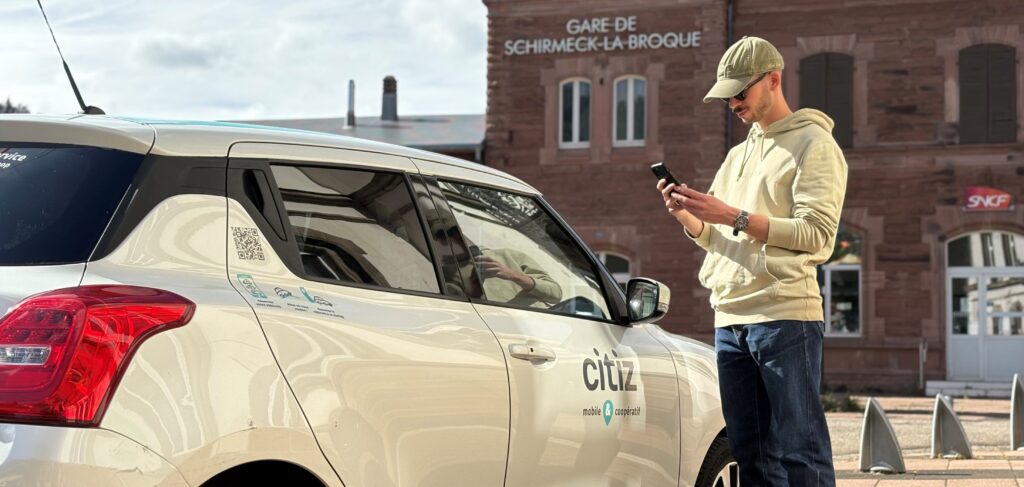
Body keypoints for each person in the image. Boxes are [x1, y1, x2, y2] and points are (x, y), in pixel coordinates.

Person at [655, 36, 847, 486]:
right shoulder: (737, 155)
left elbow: (818, 236)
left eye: (740, 92)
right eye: (727, 95)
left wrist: (733, 215)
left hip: (784, 317)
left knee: (801, 451)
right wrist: (690, 217)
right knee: (751, 453)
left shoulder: (813, 144)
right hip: (729, 319)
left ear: (773, 80)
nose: (732, 102)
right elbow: (720, 237)